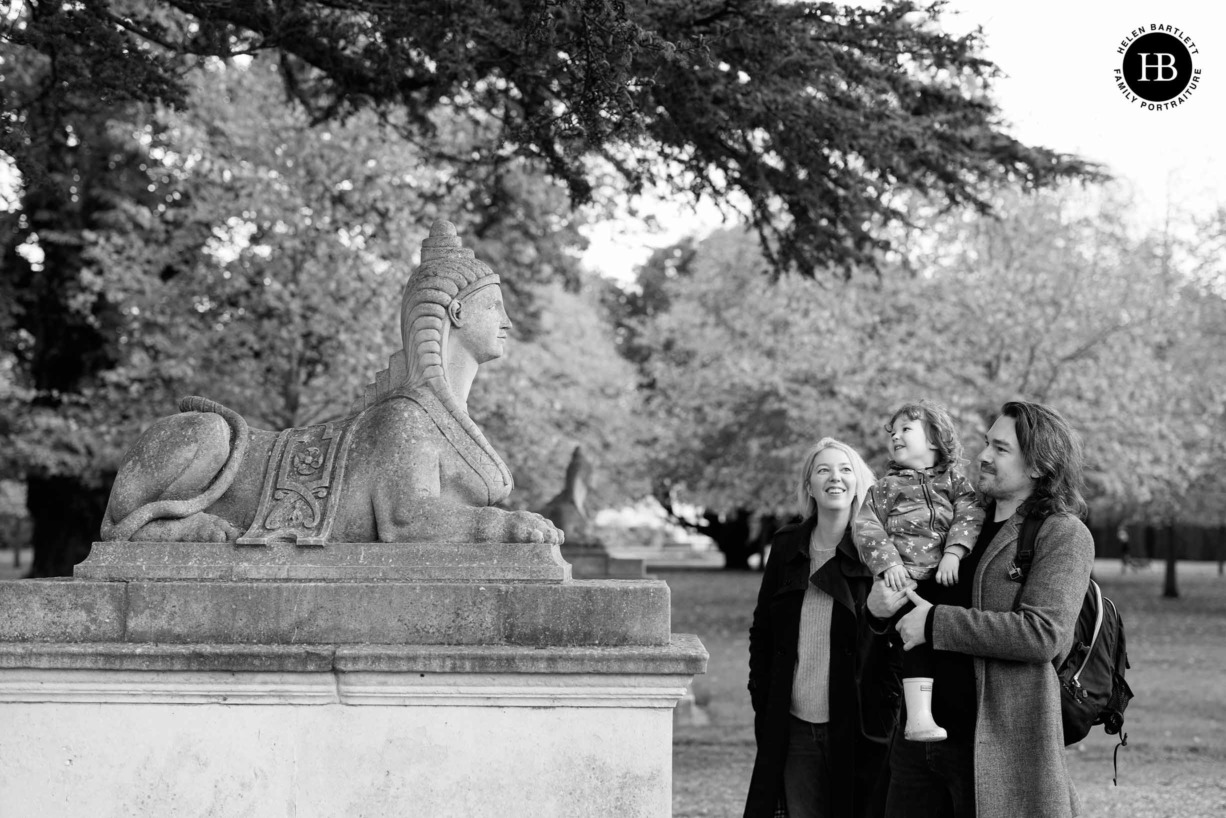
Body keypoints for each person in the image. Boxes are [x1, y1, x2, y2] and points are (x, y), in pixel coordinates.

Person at [868, 401, 1095, 818]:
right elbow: (911, 603)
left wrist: (936, 623)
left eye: (1001, 449)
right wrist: (878, 611)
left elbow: (1042, 634)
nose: (984, 456)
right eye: (987, 443)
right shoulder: (954, 515)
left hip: (997, 744)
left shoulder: (1062, 534)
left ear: (1039, 466)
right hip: (918, 742)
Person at [745, 438, 902, 818]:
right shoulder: (786, 546)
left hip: (860, 725)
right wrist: (763, 699)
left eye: (845, 469)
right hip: (795, 723)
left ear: (858, 482)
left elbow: (896, 645)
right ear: (809, 486)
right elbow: (763, 630)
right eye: (824, 470)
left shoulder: (882, 552)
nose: (836, 478)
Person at [854, 400, 983, 742]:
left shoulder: (955, 481)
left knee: (949, 638)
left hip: (946, 576)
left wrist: (954, 553)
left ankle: (954, 712)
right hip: (907, 581)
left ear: (934, 440)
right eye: (892, 432)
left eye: (905, 430)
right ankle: (918, 718)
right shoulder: (884, 488)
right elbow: (867, 527)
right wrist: (889, 564)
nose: (895, 436)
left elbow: (969, 515)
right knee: (914, 645)